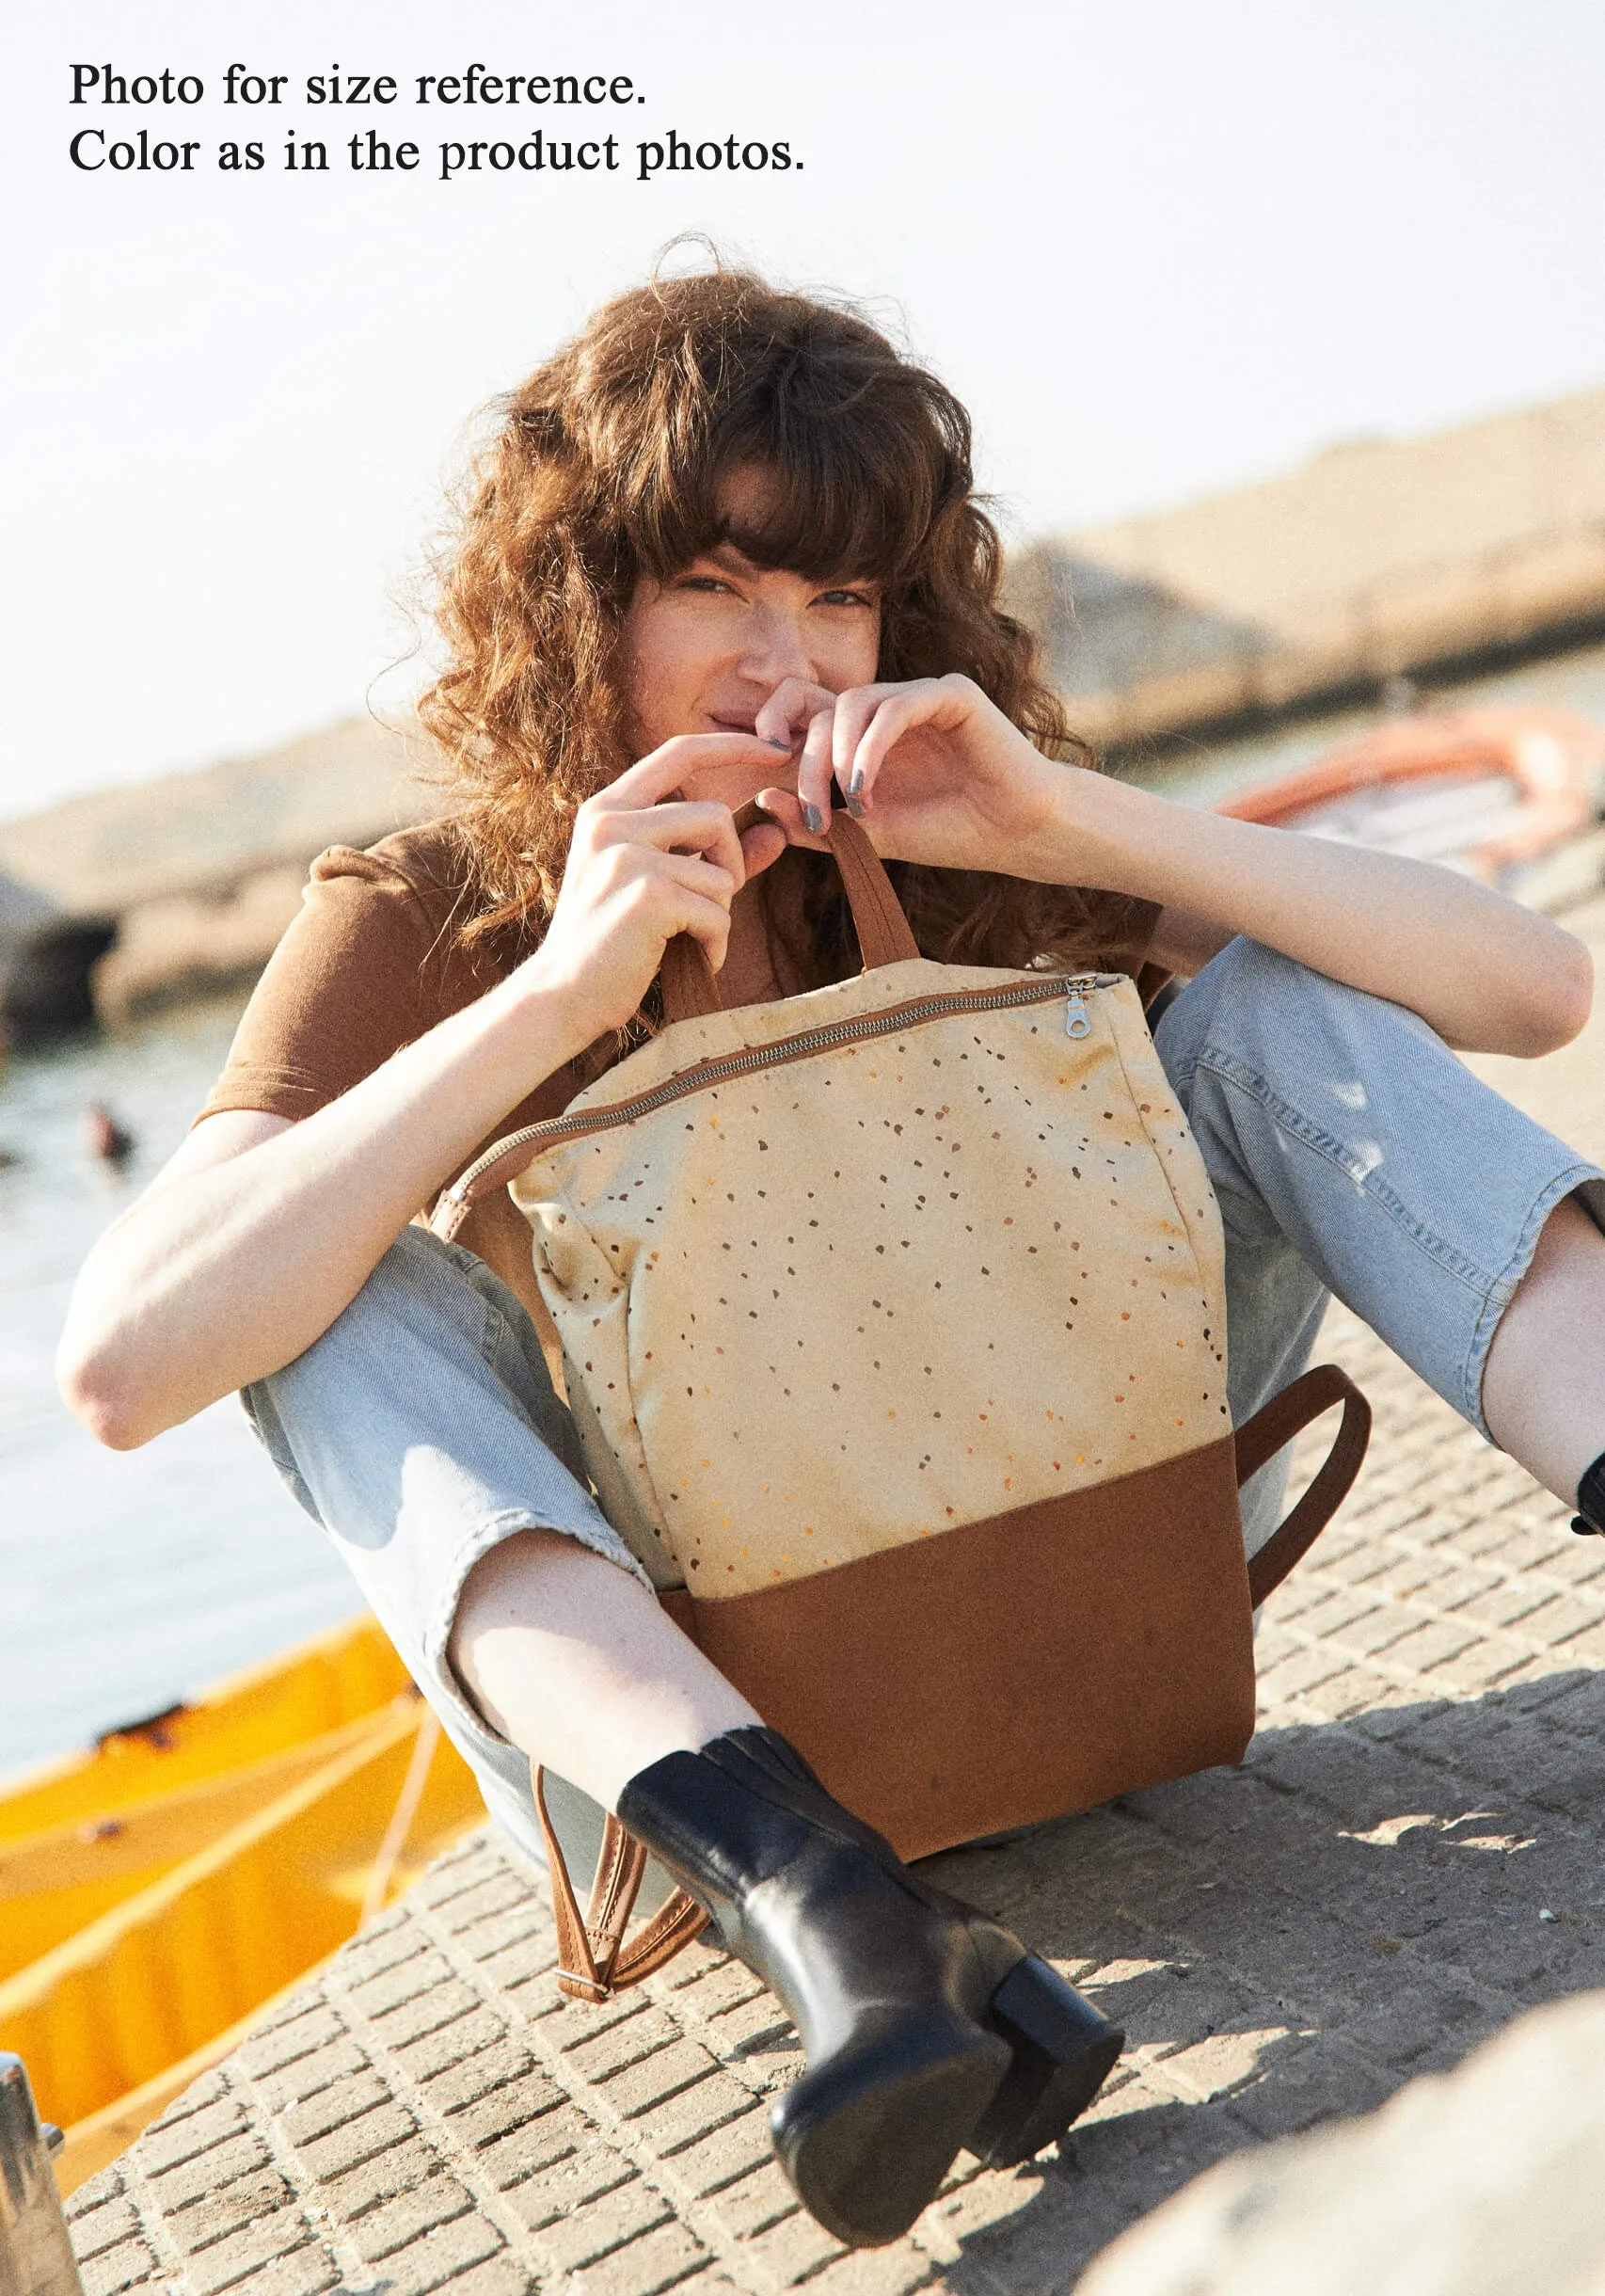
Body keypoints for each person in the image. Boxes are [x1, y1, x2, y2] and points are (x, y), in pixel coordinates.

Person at [58, 268, 1605, 2244]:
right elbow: (121, 1365)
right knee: (314, 1278)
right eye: (718, 583)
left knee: (1278, 1006)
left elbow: (1535, 986)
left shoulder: (958, 819)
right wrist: (550, 996)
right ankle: (833, 1899)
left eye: (842, 597)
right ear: (580, 597)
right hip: (712, 1723)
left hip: (1069, 1570)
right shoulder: (440, 904)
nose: (784, 660)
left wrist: (1065, 819)